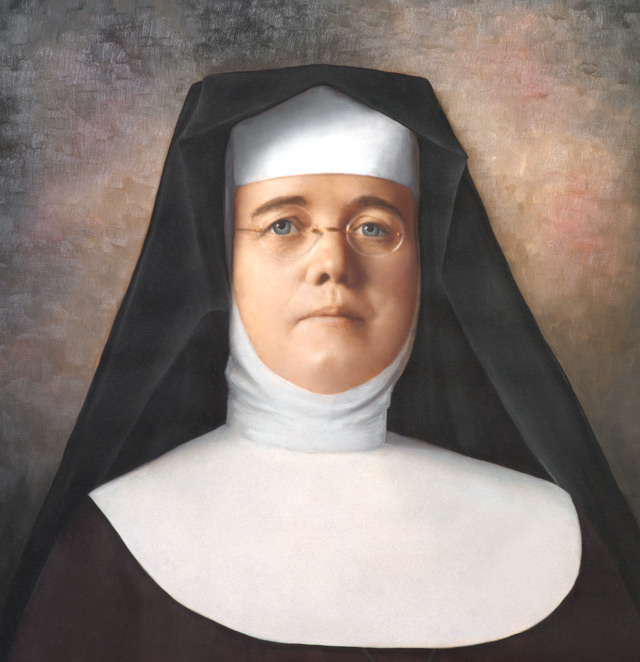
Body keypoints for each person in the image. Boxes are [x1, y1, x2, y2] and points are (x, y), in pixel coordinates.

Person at [4, 65, 640, 660]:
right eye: (283, 226)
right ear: (224, 265)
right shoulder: (109, 546)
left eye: (374, 228)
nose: (334, 264)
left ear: (422, 270)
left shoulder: (558, 541)